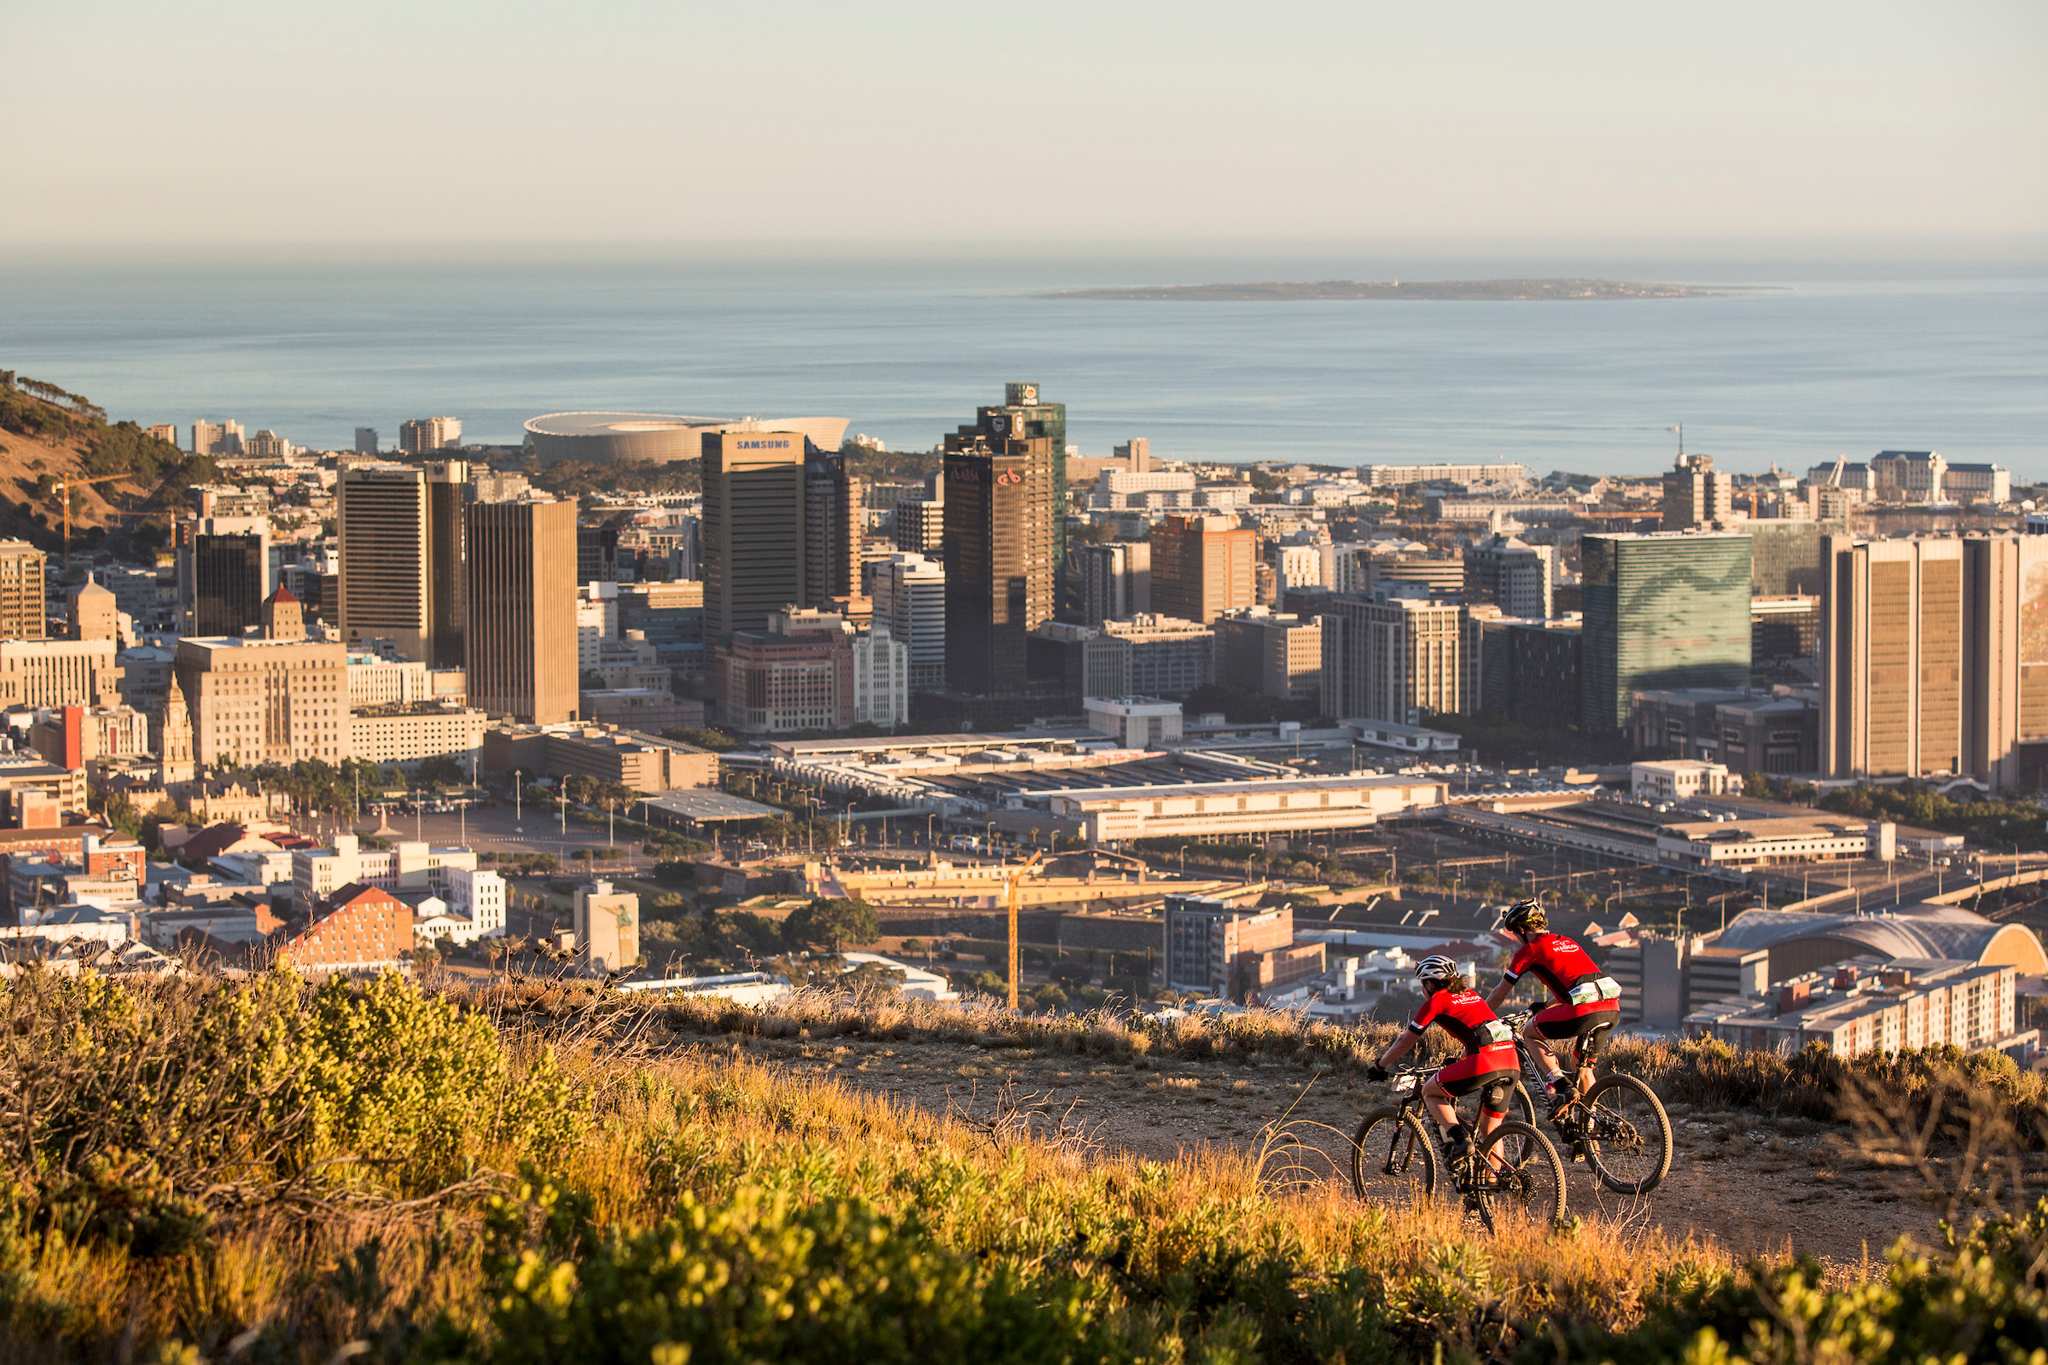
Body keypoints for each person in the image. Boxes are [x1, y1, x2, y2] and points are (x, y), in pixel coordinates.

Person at [1368, 955, 1518, 1168]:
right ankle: (1488, 1190)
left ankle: (1460, 1140)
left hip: (1485, 1062)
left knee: (1430, 1092)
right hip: (1510, 1060)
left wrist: (1380, 1065)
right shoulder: (1471, 995)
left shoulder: (1437, 1001)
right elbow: (1478, 1034)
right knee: (1491, 1131)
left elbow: (1406, 1040)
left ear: (1430, 983)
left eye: (1423, 984)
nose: (1422, 989)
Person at [1486, 897, 1622, 1122]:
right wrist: (1547, 1005)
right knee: (1584, 1070)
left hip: (1583, 1011)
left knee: (1529, 1032)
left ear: (1521, 929)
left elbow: (1500, 993)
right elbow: (1578, 984)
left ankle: (1559, 1083)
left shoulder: (1529, 950)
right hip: (1611, 1008)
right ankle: (1590, 1129)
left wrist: (1480, 1018)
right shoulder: (1566, 941)